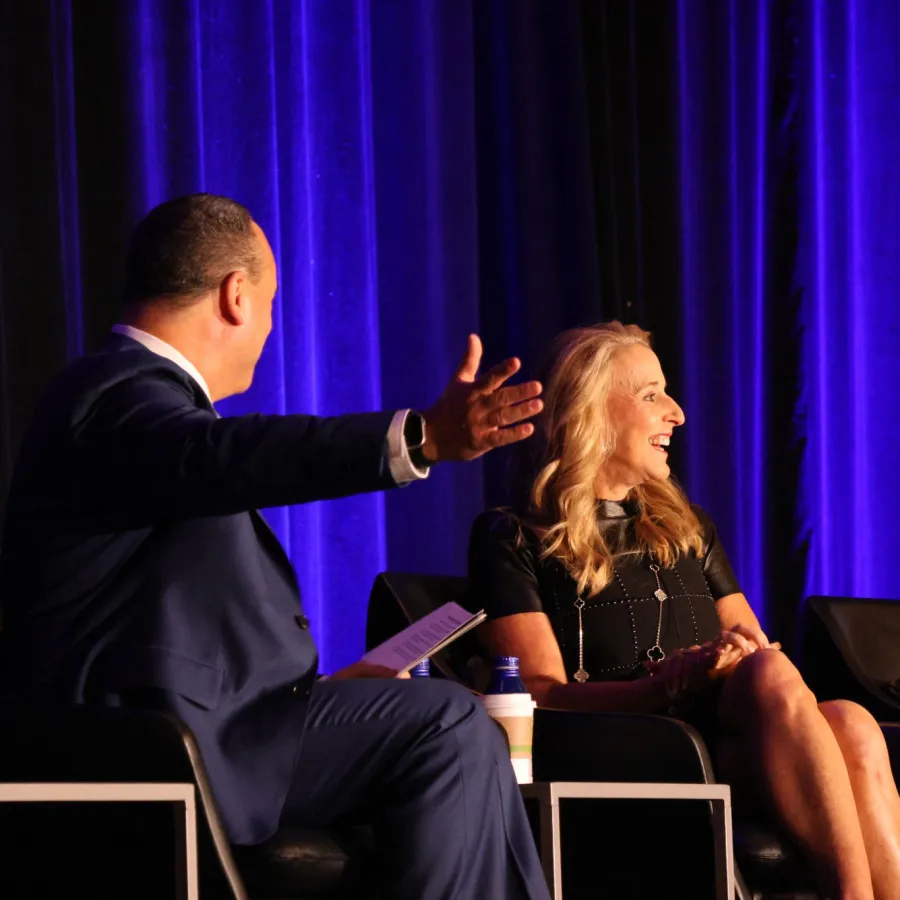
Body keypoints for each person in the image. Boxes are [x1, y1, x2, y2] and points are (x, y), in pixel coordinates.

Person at [0, 194, 551, 900]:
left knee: (445, 726)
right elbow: (221, 458)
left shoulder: (128, 412)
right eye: (269, 302)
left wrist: (318, 690)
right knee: (445, 725)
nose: (267, 328)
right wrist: (423, 439)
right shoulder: (112, 396)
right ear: (235, 296)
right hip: (148, 744)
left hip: (229, 727)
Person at [467, 321, 900, 900]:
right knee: (779, 679)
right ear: (592, 410)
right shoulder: (513, 536)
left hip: (715, 741)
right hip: (625, 744)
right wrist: (673, 683)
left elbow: (758, 649)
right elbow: (539, 695)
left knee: (851, 720)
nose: (677, 413)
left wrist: (732, 657)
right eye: (651, 396)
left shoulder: (687, 527)